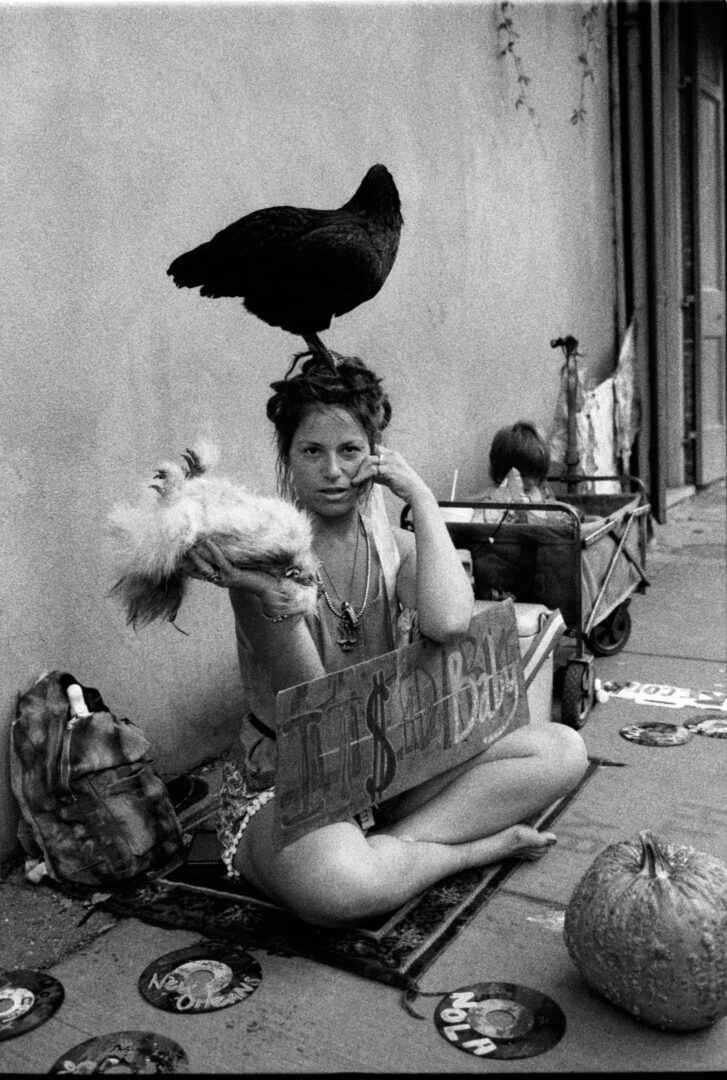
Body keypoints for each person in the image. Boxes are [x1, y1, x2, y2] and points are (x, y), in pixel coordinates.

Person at [185, 355, 588, 927]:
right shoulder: (261, 564)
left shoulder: (390, 548)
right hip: (291, 782)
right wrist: (279, 597)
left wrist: (420, 497)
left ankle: (397, 849)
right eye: (312, 452)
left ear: (375, 455)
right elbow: (316, 702)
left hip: (387, 768)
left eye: (350, 450)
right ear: (287, 459)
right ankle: (465, 851)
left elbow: (450, 622)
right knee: (339, 887)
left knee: (561, 750)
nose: (332, 471)